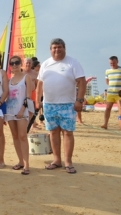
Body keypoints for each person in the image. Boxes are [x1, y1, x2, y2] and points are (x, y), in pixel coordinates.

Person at [36, 38, 85, 174]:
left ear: (64, 48)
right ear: (50, 50)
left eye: (59, 47)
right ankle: (56, 160)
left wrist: (79, 100)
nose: (57, 50)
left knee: (68, 133)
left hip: (68, 104)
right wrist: (37, 100)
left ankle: (68, 161)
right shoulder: (46, 64)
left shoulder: (72, 62)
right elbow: (40, 84)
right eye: (54, 48)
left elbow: (81, 82)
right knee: (53, 132)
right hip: (49, 104)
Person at [5, 56, 33, 175]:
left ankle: (26, 164)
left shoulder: (26, 77)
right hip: (10, 111)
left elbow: (28, 96)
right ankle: (20, 161)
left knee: (22, 136)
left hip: (22, 111)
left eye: (17, 63)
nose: (15, 65)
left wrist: (22, 109)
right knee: (15, 136)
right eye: (12, 63)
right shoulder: (9, 80)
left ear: (20, 64)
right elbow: (7, 97)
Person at [101, 56, 121, 130]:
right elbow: (107, 81)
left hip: (119, 93)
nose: (112, 64)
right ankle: (105, 124)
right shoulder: (107, 71)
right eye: (111, 63)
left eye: (114, 63)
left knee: (120, 109)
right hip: (110, 93)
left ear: (117, 61)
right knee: (108, 108)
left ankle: (120, 125)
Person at [23, 58, 40, 131]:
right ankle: (24, 125)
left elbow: (37, 84)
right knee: (23, 109)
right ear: (23, 64)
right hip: (23, 93)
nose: (28, 64)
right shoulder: (21, 72)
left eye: (29, 63)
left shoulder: (35, 73)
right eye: (26, 63)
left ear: (32, 64)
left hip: (33, 92)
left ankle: (32, 125)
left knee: (32, 110)